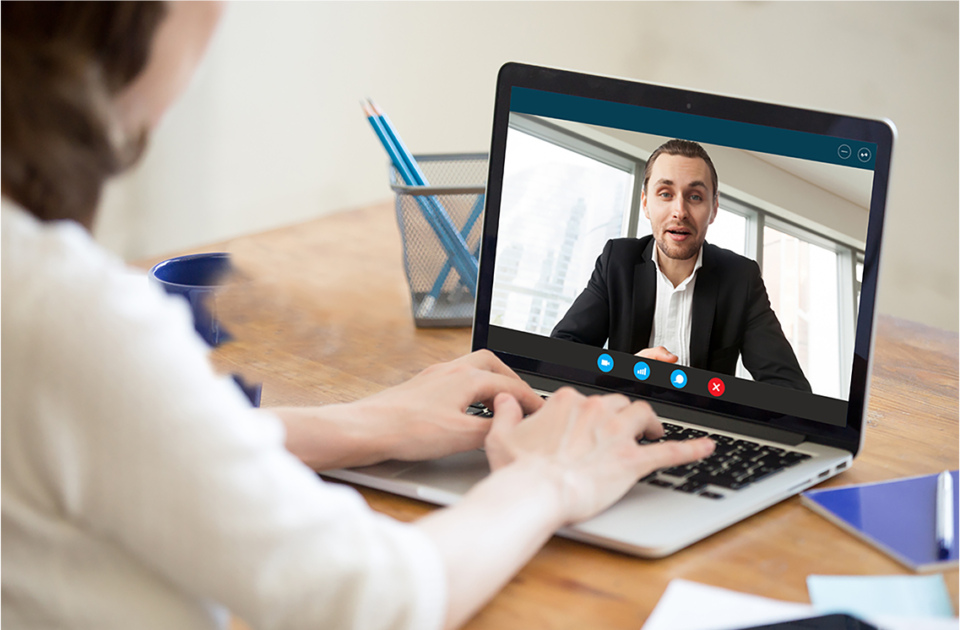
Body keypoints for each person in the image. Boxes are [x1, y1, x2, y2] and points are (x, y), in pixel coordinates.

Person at [1, 3, 715, 629]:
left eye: (694, 197)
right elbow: (370, 601)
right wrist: (550, 478)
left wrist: (353, 423)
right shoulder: (63, 314)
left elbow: (97, 443)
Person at [551, 139, 811, 393]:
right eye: (665, 194)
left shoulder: (741, 278)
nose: (680, 211)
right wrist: (624, 372)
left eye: (695, 197)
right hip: (622, 418)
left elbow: (791, 390)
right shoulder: (617, 261)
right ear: (645, 203)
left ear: (714, 208)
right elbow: (560, 352)